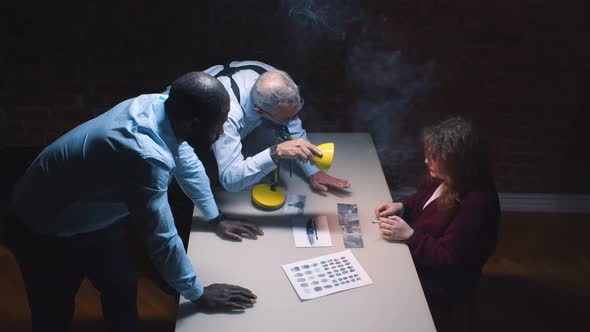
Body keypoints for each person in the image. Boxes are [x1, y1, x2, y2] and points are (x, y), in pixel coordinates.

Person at [6, 72, 259, 332]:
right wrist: (198, 293)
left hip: (91, 216)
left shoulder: (164, 106)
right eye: (218, 124)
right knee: (53, 315)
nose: (221, 131)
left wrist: (215, 218)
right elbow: (161, 237)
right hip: (44, 227)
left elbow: (189, 166)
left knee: (122, 289)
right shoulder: (144, 153)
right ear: (193, 123)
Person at [373, 117, 500, 330]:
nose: (426, 161)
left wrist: (410, 237)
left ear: (456, 162)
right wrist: (401, 206)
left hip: (443, 281)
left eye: (434, 157)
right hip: (420, 255)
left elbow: (450, 259)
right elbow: (420, 200)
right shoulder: (444, 177)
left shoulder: (478, 203)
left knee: (379, 281)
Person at [174, 60, 350, 193]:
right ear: (259, 111)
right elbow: (230, 179)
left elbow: (293, 125)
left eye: (296, 111)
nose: (293, 121)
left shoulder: (273, 79)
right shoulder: (226, 115)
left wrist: (313, 171)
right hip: (184, 139)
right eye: (286, 119)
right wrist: (277, 151)